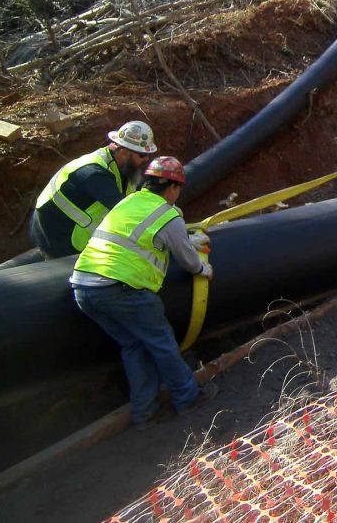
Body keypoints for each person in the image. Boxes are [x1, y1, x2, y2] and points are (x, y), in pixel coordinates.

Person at [70, 156, 216, 429]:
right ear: (173, 187)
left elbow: (146, 234)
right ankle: (188, 397)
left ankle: (145, 412)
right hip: (121, 289)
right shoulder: (167, 213)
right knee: (161, 342)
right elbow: (185, 257)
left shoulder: (129, 202)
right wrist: (202, 270)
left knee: (134, 344)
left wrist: (187, 236)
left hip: (83, 286)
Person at [30, 120, 157, 259]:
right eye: (142, 155)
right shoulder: (95, 173)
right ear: (125, 151)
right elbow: (126, 212)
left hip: (71, 231)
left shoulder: (124, 169)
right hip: (58, 237)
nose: (146, 159)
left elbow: (143, 194)